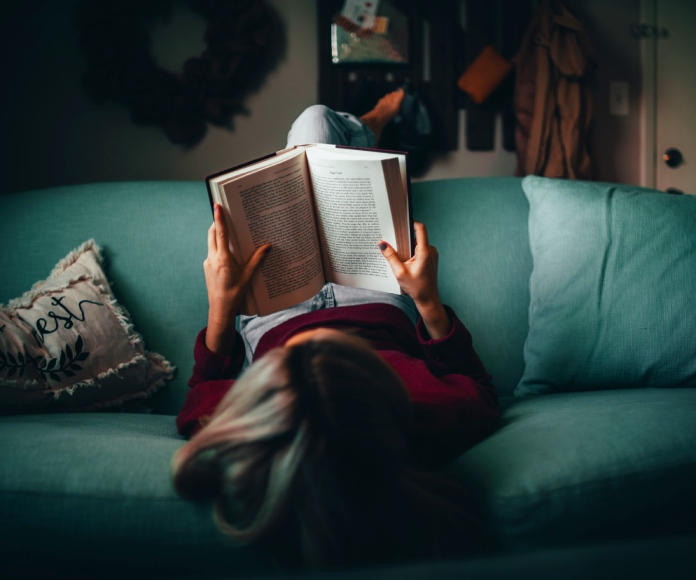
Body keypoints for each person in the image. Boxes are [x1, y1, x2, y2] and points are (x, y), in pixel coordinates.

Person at [171, 90, 501, 569]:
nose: (318, 342)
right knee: (318, 131)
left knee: (310, 135)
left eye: (293, 364)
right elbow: (482, 389)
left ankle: (366, 126)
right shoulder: (429, 416)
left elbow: (203, 388)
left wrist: (221, 306)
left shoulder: (246, 431)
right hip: (371, 297)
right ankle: (373, 123)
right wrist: (426, 299)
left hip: (274, 310)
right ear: (376, 397)